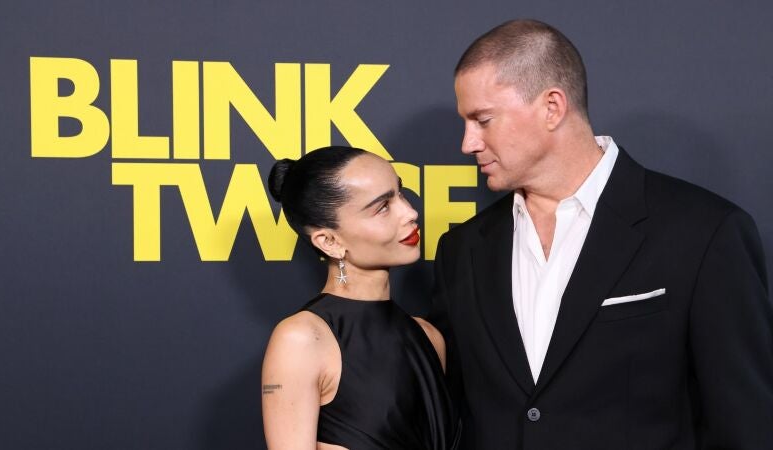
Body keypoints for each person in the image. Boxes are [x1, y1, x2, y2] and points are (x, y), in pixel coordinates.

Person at [429, 19, 773, 449]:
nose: (467, 143)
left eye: (483, 120)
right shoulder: (462, 250)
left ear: (552, 107)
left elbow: (747, 426)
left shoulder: (703, 233)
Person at [261, 146, 460, 450]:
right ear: (330, 241)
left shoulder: (430, 338)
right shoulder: (302, 341)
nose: (410, 213)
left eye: (400, 193)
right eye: (382, 207)